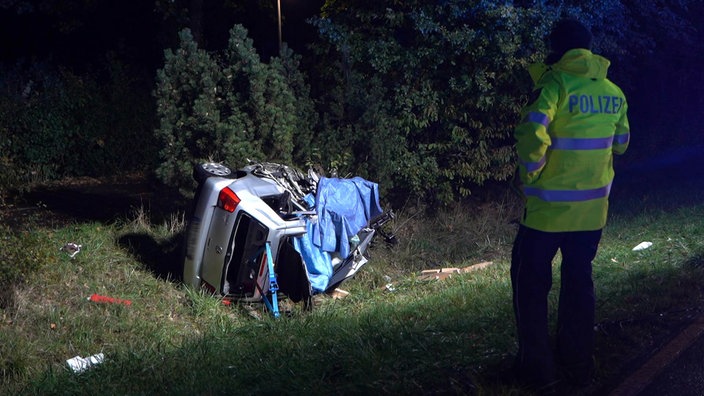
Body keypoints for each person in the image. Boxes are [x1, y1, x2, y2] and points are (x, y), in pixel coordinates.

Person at [510, 18, 630, 392]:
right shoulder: (614, 91)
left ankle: (539, 369)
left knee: (529, 285)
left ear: (556, 48)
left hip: (546, 214)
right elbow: (622, 142)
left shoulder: (554, 83)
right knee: (578, 282)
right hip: (592, 213)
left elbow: (532, 131)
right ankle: (577, 364)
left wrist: (531, 175)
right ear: (588, 47)